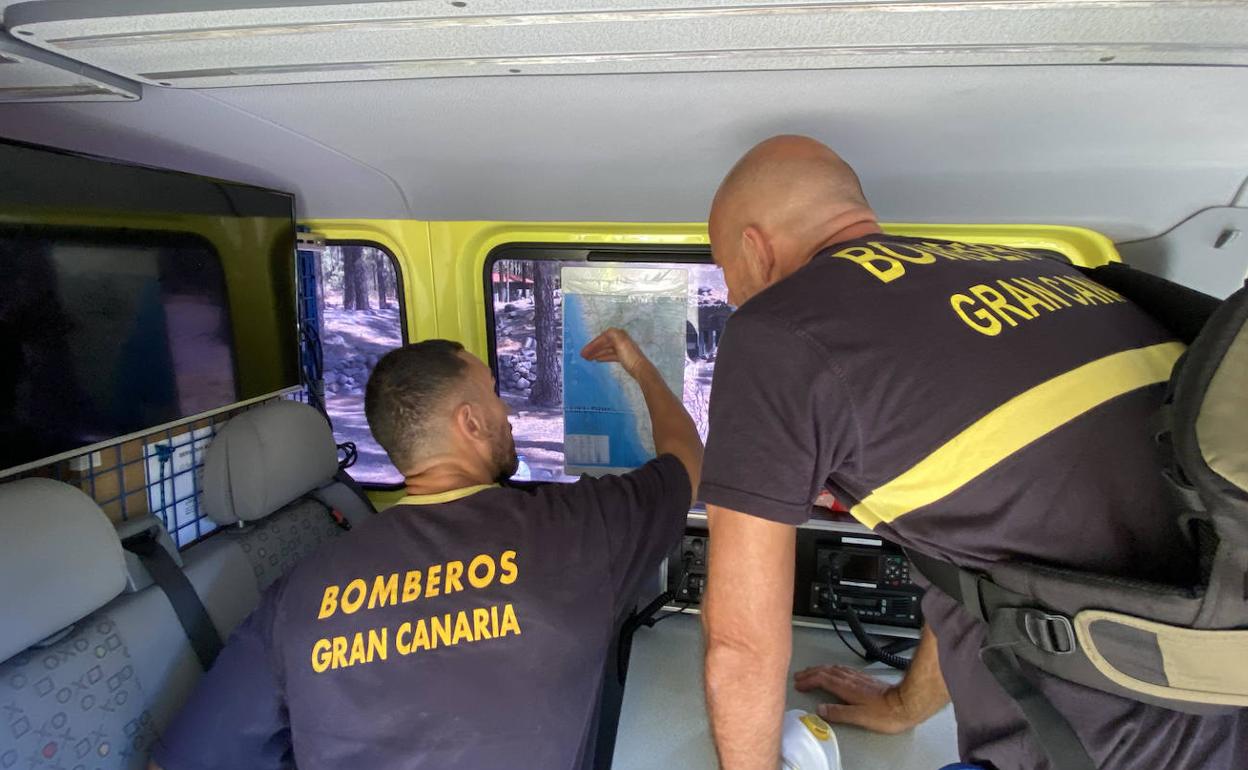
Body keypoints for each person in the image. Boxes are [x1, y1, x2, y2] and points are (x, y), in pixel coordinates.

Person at [697, 135, 1247, 769]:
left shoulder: (779, 329)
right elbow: (974, 557)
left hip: (1110, 742)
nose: (731, 296)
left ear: (755, 248)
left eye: (725, 271)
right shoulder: (1042, 270)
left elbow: (741, 643)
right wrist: (906, 706)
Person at [151, 329, 702, 770]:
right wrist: (638, 365)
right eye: (495, 394)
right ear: (471, 421)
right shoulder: (577, 529)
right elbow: (686, 461)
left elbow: (184, 759)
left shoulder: (297, 595)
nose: (508, 414)